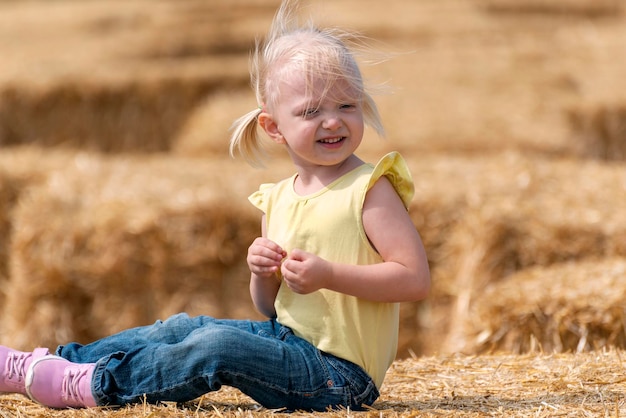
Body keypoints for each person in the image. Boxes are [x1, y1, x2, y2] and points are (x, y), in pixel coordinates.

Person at [0, 0, 430, 412]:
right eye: (311, 111)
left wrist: (329, 275)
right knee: (184, 328)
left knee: (216, 348)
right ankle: (52, 365)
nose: (332, 120)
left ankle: (96, 385)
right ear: (273, 127)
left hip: (340, 377)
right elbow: (269, 307)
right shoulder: (277, 197)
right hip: (285, 339)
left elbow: (414, 279)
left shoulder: (369, 188)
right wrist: (262, 275)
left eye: (346, 105)